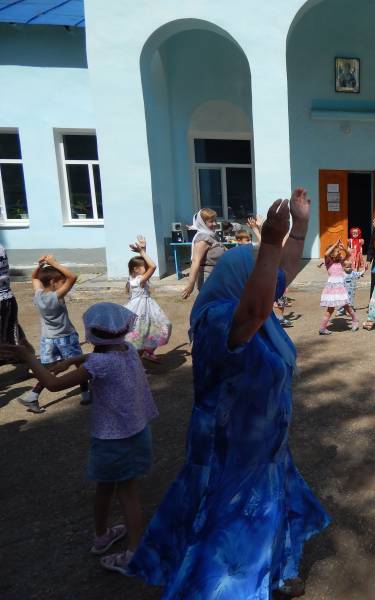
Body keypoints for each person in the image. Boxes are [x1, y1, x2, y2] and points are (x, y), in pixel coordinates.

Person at [128, 190, 329, 598]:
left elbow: (280, 277)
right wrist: (269, 241)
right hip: (229, 451)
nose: (273, 283)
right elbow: (254, 309)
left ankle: (271, 576)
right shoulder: (219, 319)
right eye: (262, 275)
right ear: (242, 280)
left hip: (262, 449)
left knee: (261, 517)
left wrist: (300, 228)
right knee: (227, 531)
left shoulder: (252, 308)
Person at [3, 302, 158, 574]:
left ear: (92, 333)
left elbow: (52, 385)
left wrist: (28, 357)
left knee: (113, 490)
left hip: (113, 439)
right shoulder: (129, 350)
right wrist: (73, 360)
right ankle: (105, 537)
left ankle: (128, 550)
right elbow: (103, 357)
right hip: (133, 432)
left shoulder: (99, 363)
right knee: (123, 489)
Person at [19, 255, 89, 412]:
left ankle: (33, 395)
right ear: (52, 282)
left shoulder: (38, 295)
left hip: (48, 340)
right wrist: (53, 263)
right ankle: (85, 393)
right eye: (61, 282)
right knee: (80, 365)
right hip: (66, 337)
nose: (64, 284)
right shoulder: (55, 297)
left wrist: (40, 266)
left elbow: (34, 277)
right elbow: (73, 277)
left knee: (52, 369)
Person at [124, 236, 172, 362]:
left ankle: (147, 351)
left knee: (153, 329)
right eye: (143, 267)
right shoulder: (139, 280)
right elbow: (153, 266)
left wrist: (143, 250)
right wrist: (141, 252)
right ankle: (137, 360)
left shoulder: (134, 278)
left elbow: (146, 264)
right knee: (141, 332)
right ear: (136, 269)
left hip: (147, 308)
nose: (146, 268)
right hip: (140, 309)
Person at [181, 208, 226, 299]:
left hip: (217, 277)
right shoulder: (202, 239)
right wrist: (191, 284)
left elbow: (227, 251)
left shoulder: (212, 236)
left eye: (215, 220)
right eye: (211, 221)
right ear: (202, 223)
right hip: (208, 279)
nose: (215, 224)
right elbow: (195, 261)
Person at [0, 243, 33, 357]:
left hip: (3, 299)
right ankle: (29, 358)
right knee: (13, 333)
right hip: (7, 298)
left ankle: (28, 359)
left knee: (11, 339)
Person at [319, 239, 358, 334]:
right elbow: (326, 254)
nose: (339, 252)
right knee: (330, 309)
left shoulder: (341, 261)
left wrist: (343, 248)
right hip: (331, 289)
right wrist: (335, 245)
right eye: (337, 251)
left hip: (340, 288)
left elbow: (349, 254)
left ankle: (355, 321)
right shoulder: (328, 261)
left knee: (346, 306)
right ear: (332, 254)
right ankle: (322, 328)